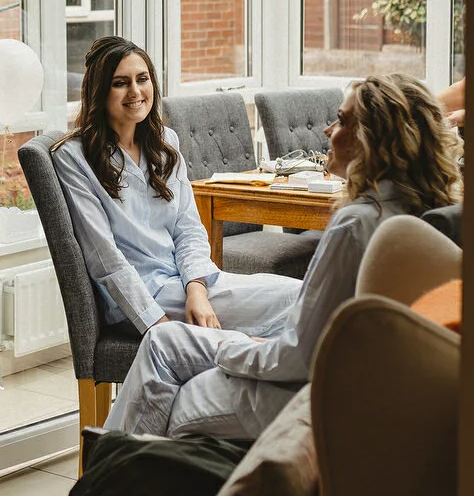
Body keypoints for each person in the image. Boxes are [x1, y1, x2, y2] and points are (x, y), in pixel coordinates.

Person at [104, 73, 461, 440]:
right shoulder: (426, 211)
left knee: (164, 361)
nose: (327, 130)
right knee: (166, 346)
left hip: (300, 395)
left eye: (341, 120)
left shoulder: (356, 224)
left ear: (370, 140)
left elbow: (297, 359)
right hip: (346, 377)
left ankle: (109, 480)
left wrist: (233, 348)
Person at [50, 36, 297, 340]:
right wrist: (161, 329)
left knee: (299, 296)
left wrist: (197, 290)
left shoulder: (165, 143)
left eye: (142, 79)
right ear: (99, 92)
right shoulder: (73, 157)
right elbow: (103, 257)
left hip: (186, 283)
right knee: (299, 304)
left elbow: (188, 228)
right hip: (142, 300)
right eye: (120, 83)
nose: (136, 91)